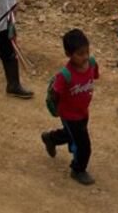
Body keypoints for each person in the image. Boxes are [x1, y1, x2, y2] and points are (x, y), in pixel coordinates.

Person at [41, 29, 100, 185]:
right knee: (84, 145)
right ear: (68, 54)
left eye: (87, 51)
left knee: (70, 135)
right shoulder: (65, 75)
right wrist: (56, 110)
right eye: (80, 54)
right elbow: (54, 93)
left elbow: (93, 75)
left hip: (83, 112)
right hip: (69, 115)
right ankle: (78, 169)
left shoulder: (92, 64)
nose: (85, 56)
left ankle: (51, 138)